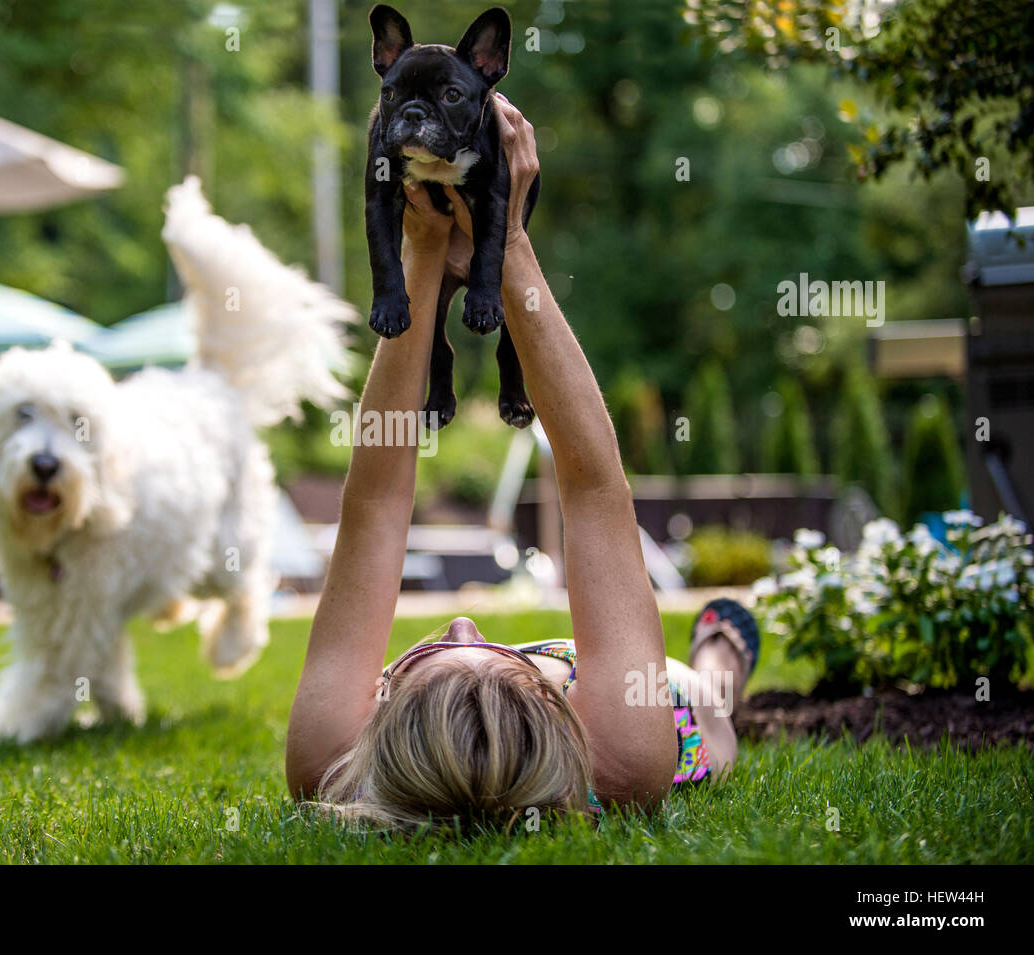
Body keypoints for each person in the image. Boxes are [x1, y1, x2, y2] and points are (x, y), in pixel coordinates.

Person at [286, 94, 760, 829]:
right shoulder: (626, 755)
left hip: (511, 711)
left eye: (422, 664)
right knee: (707, 687)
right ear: (556, 708)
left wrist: (419, 251)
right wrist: (505, 242)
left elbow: (376, 505)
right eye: (483, 648)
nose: (466, 621)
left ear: (378, 729)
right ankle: (722, 652)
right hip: (662, 711)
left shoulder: (331, 760)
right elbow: (594, 484)